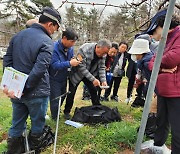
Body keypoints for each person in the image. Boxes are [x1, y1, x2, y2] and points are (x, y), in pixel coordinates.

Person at [3, 7, 62, 153]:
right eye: (56, 28)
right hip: (36, 92)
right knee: (38, 123)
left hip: (17, 92)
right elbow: (39, 70)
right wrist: (25, 88)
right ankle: (35, 148)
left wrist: (13, 86)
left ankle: (14, 151)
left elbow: (7, 61)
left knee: (17, 123)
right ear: (50, 25)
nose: (55, 32)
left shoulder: (18, 36)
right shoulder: (47, 41)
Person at [148, 15, 180, 153]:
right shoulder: (165, 41)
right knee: (161, 121)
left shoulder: (178, 36)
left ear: (163, 26)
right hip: (164, 89)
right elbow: (151, 63)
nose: (153, 34)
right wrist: (162, 68)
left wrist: (159, 65)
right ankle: (158, 146)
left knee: (177, 126)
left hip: (176, 91)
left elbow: (172, 59)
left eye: (155, 30)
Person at [65, 39, 111, 119]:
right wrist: (93, 79)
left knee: (93, 90)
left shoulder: (103, 54)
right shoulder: (83, 49)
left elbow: (101, 68)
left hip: (90, 73)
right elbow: (81, 68)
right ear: (98, 47)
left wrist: (104, 80)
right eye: (103, 52)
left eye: (105, 53)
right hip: (77, 73)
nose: (104, 55)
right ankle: (67, 111)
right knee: (71, 93)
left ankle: (97, 108)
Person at [49, 27, 80, 120]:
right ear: (64, 38)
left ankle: (57, 111)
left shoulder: (69, 48)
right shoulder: (54, 48)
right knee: (56, 98)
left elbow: (69, 58)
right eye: (71, 41)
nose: (73, 44)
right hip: (54, 78)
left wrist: (74, 60)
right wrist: (70, 63)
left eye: (74, 42)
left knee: (63, 95)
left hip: (64, 76)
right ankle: (55, 118)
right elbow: (54, 65)